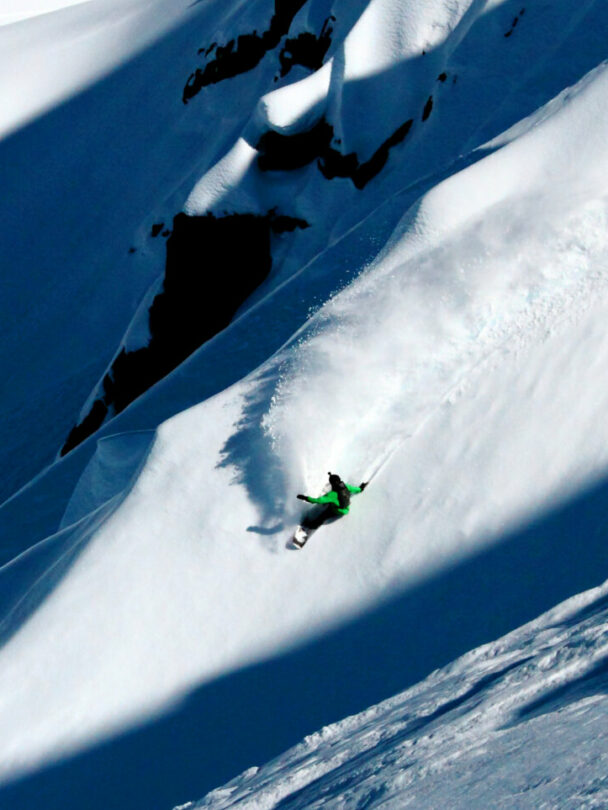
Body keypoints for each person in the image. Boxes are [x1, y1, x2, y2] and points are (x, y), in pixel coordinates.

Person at [297, 472, 367, 531]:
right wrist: (361, 488)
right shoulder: (346, 486)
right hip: (346, 508)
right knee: (330, 502)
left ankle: (311, 526)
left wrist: (305, 498)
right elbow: (356, 489)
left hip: (338, 510)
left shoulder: (332, 494)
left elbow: (317, 501)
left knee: (323, 515)